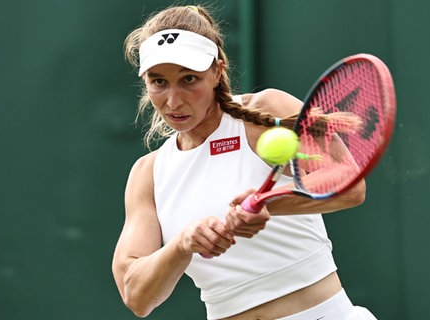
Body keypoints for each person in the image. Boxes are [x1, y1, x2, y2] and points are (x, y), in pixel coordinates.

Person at [112, 5, 377, 320]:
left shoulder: (267, 110)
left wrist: (272, 204)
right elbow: (136, 295)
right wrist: (182, 244)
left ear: (217, 71)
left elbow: (350, 187)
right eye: (158, 82)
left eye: (189, 79)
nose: (173, 100)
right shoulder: (148, 173)